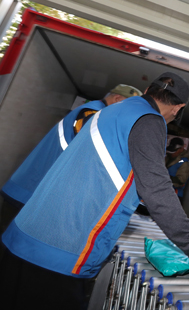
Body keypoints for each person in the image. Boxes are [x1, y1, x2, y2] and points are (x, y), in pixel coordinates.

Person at [0, 72, 189, 310]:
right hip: (61, 253)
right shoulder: (150, 120)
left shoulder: (109, 111)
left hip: (24, 235)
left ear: (148, 90)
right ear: (178, 107)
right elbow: (158, 193)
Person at [0, 84, 142, 234]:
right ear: (117, 99)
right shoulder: (91, 114)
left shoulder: (92, 112)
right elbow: (92, 154)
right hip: (30, 192)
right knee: (11, 249)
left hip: (30, 191)